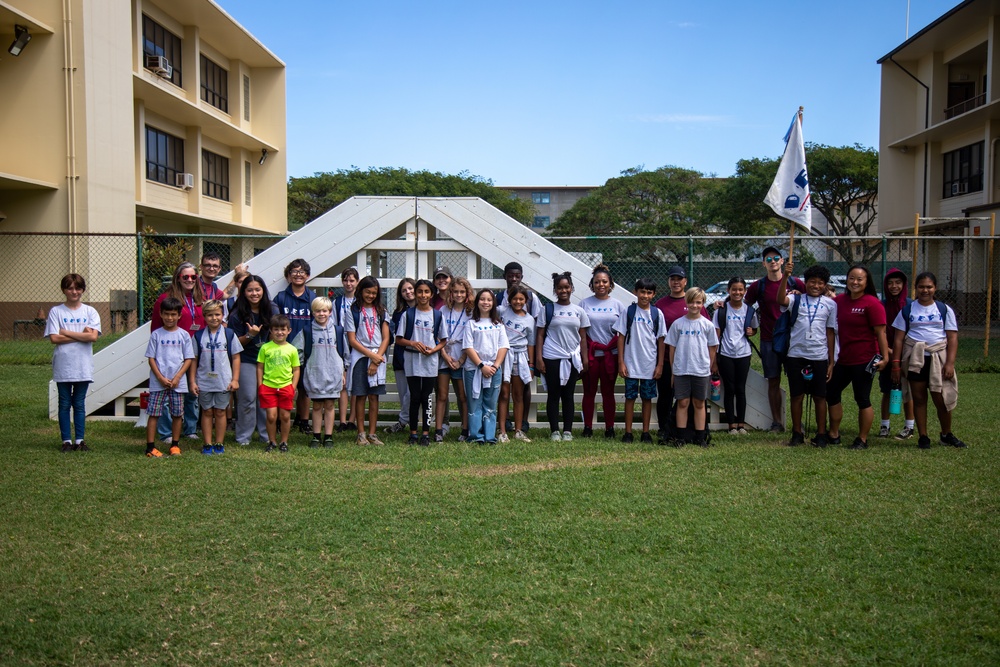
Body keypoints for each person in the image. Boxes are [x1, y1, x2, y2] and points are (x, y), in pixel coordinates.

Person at [890, 272, 964, 449]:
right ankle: (923, 436)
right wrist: (896, 364)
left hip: (938, 358)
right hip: (916, 359)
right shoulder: (908, 310)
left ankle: (946, 434)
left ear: (935, 288)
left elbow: (952, 338)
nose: (925, 290)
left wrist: (950, 363)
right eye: (921, 286)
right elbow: (898, 339)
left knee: (941, 398)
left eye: (929, 287)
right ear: (916, 288)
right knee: (919, 397)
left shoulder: (944, 309)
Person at [743, 247, 807, 432]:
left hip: (794, 339)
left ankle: (797, 422)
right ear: (764, 263)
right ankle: (777, 421)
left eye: (776, 258)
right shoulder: (758, 286)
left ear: (782, 261)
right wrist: (751, 327)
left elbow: (812, 301)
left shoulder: (795, 283)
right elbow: (745, 306)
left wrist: (799, 296)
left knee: (798, 381)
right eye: (768, 259)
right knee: (773, 380)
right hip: (769, 339)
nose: (772, 261)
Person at [827, 265, 889, 449]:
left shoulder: (872, 303)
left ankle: (862, 439)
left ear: (866, 282)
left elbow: (881, 333)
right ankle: (834, 433)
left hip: (865, 360)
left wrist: (885, 358)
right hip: (843, 359)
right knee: (831, 391)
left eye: (859, 279)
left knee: (862, 398)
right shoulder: (839, 301)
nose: (855, 282)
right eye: (851, 278)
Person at [776, 264, 837, 447]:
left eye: (820, 283)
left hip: (819, 356)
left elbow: (830, 333)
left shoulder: (830, 304)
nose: (815, 286)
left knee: (820, 396)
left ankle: (820, 434)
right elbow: (780, 300)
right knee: (797, 395)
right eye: (812, 282)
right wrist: (785, 277)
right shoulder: (796, 299)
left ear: (825, 285)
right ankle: (797, 433)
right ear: (805, 282)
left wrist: (831, 361)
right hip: (796, 354)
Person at [45, 273, 101, 452]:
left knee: (79, 403)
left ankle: (80, 440)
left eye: (77, 288)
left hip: (82, 366)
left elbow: (93, 337)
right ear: (64, 290)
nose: (74, 292)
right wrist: (82, 335)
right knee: (64, 403)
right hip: (63, 365)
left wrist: (66, 332)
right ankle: (66, 441)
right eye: (70, 288)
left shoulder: (90, 311)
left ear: (83, 290)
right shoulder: (56, 311)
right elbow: (54, 338)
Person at [150, 262, 205, 443]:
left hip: (194, 353)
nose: (189, 280)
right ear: (177, 278)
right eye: (185, 277)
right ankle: (166, 433)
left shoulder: (199, 298)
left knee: (191, 392)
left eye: (193, 277)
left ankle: (190, 429)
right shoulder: (165, 299)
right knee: (166, 395)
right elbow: (156, 330)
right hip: (171, 354)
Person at [653, 265, 708, 443]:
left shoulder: (695, 301)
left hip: (693, 362)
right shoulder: (660, 304)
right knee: (666, 396)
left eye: (679, 279)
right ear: (668, 281)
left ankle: (693, 431)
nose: (676, 282)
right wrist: (661, 363)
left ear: (685, 281)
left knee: (692, 401)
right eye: (672, 279)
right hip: (670, 359)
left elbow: (709, 333)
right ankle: (665, 428)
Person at [536, 272, 590, 441]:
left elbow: (583, 337)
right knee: (553, 394)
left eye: (566, 287)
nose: (563, 290)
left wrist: (585, 359)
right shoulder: (547, 309)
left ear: (572, 288)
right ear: (555, 290)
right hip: (552, 357)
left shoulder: (579, 311)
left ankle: (567, 430)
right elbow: (539, 335)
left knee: (568, 394)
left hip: (572, 358)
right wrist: (539, 358)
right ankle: (554, 431)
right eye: (560, 288)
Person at [396, 279, 448, 446]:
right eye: (420, 292)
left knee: (427, 397)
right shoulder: (408, 314)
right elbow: (399, 339)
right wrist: (413, 343)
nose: (423, 295)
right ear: (416, 294)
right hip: (412, 361)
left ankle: (425, 432)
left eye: (426, 292)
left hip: (430, 362)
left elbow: (443, 340)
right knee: (414, 397)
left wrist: (434, 350)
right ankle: (413, 433)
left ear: (431, 294)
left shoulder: (438, 315)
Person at [666, 287, 719, 447]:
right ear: (686, 302)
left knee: (699, 403)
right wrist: (674, 371)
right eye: (691, 302)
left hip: (701, 371)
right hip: (682, 370)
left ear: (703, 303)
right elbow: (672, 348)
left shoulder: (707, 325)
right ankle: (681, 437)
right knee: (682, 403)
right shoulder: (678, 324)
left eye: (698, 302)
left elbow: (712, 347)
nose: (695, 305)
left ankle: (700, 437)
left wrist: (708, 366)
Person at [614, 277, 665, 444]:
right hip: (630, 364)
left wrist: (659, 364)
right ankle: (628, 432)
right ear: (636, 292)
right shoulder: (628, 312)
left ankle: (645, 432)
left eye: (649, 292)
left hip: (649, 365)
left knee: (647, 398)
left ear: (654, 294)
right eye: (642, 291)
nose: (645, 295)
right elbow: (620, 337)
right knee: (629, 397)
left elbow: (661, 340)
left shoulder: (657, 314)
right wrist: (621, 362)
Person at [189, 300, 242, 455]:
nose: (214, 318)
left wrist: (235, 379)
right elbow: (193, 360)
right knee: (206, 412)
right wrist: (192, 381)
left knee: (220, 412)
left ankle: (219, 442)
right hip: (204, 381)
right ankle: (207, 443)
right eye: (210, 315)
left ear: (222, 315)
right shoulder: (198, 336)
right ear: (204, 317)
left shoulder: (229, 334)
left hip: (223, 381)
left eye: (217, 314)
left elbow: (236, 357)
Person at [144, 297, 195, 457]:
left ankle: (175, 445)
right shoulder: (156, 335)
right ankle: (150, 446)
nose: (170, 318)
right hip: (158, 383)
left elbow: (188, 359)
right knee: (154, 413)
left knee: (177, 414)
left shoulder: (184, 335)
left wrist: (178, 377)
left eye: (173, 314)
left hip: (177, 383)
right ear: (161, 314)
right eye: (166, 314)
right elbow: (151, 358)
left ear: (179, 315)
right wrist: (160, 377)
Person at [272, 259, 318, 434]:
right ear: (288, 275)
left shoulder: (312, 298)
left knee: (304, 387)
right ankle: (279, 420)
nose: (298, 275)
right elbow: (275, 322)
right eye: (294, 272)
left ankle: (303, 420)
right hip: (284, 349)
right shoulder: (281, 297)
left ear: (307, 275)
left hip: (306, 350)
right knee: (282, 385)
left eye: (302, 272)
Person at [580, 264, 626, 438]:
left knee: (608, 392)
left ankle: (610, 428)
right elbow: (581, 332)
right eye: (597, 282)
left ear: (610, 284)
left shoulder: (617, 305)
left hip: (610, 356)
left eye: (604, 282)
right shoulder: (584, 303)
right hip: (592, 355)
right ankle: (588, 427)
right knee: (589, 392)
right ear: (592, 284)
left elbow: (622, 331)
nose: (601, 285)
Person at [228, 275, 274, 447]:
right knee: (247, 398)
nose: (254, 293)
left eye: (257, 289)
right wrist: (250, 335)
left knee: (265, 397)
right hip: (246, 359)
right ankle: (243, 437)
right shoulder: (237, 314)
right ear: (243, 292)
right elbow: (233, 344)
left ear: (263, 290)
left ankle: (266, 435)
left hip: (268, 362)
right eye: (250, 290)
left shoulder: (272, 309)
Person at [345, 276, 390, 446]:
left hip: (378, 357)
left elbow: (386, 338)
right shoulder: (353, 311)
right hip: (360, 357)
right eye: (367, 292)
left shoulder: (381, 311)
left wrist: (376, 359)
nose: (370, 295)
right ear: (360, 291)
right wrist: (371, 356)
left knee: (374, 396)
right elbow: (352, 340)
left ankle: (372, 433)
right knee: (360, 395)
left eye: (374, 293)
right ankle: (361, 433)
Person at [496, 262, 541, 434]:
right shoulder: (500, 304)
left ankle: (521, 423)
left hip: (523, 354)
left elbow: (536, 327)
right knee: (504, 391)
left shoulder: (531, 300)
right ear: (505, 276)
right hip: (503, 353)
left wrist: (532, 362)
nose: (514, 278)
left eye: (517, 275)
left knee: (522, 389)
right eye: (510, 275)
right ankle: (504, 424)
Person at [711, 277, 759, 435]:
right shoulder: (721, 311)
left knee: (741, 389)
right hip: (725, 353)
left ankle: (741, 424)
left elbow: (754, 329)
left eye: (740, 290)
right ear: (728, 291)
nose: (737, 292)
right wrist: (714, 361)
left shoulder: (749, 310)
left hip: (743, 353)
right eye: (734, 289)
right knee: (729, 389)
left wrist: (752, 332)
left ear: (745, 291)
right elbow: (715, 336)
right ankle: (731, 424)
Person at [296, 296, 345, 448]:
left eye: (324, 311)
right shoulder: (307, 331)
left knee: (330, 405)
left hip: (333, 373)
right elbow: (296, 351)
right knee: (316, 406)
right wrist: (305, 368)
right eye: (318, 311)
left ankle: (328, 436)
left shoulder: (338, 331)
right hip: (315, 374)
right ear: (313, 312)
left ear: (330, 312)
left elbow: (345, 354)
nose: (321, 314)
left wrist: (343, 373)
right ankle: (316, 436)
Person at [463, 289, 509, 444]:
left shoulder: (498, 325)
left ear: (493, 303)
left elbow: (503, 347)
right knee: (474, 402)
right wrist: (481, 365)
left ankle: (489, 436)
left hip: (494, 369)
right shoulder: (471, 324)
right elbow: (468, 347)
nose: (485, 302)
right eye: (482, 299)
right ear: (477, 302)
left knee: (490, 402)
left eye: (489, 300)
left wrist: (495, 366)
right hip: (474, 369)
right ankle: (476, 435)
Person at [878, 268, 916, 440]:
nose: (894, 286)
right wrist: (890, 352)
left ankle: (909, 426)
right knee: (887, 390)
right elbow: (880, 331)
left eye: (898, 283)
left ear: (904, 285)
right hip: (888, 354)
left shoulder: (911, 305)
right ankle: (884, 426)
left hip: (907, 354)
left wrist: (901, 354)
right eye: (890, 283)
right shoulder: (881, 305)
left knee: (907, 391)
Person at [257, 314, 300, 453]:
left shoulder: (292, 349)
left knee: (285, 416)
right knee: (271, 416)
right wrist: (260, 385)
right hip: (268, 386)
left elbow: (296, 369)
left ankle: (284, 441)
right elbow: (260, 367)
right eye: (276, 329)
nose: (279, 332)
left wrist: (293, 387)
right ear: (271, 331)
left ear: (289, 330)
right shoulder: (265, 348)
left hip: (286, 386)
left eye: (283, 329)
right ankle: (272, 441)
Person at [436, 277, 473, 442]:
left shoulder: (471, 312)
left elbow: (473, 339)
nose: (458, 295)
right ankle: (438, 430)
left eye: (462, 292)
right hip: (444, 356)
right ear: (450, 293)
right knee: (442, 395)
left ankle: (465, 430)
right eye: (455, 291)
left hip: (461, 357)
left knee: (462, 396)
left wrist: (461, 359)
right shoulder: (443, 311)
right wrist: (444, 355)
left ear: (467, 293)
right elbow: (437, 336)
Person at [385, 278, 416, 435]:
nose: (408, 292)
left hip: (417, 359)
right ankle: (407, 423)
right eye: (404, 290)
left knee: (412, 393)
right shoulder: (397, 314)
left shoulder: (425, 310)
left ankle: (403, 421)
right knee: (404, 394)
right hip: (400, 358)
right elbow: (393, 336)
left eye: (410, 288)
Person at [333, 267, 359, 431]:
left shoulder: (360, 302)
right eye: (346, 280)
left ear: (357, 282)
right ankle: (342, 420)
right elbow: (335, 325)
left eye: (352, 280)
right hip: (341, 344)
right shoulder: (337, 302)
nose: (348, 284)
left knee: (356, 383)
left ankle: (352, 419)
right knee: (342, 383)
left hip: (356, 344)